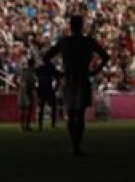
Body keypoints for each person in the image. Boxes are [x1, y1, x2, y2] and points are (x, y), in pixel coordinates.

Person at [44, 15, 110, 156]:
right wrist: (95, 71)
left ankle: (74, 145)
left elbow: (46, 57)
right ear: (81, 26)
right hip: (83, 77)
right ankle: (76, 145)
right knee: (79, 115)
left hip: (69, 78)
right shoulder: (87, 42)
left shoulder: (65, 42)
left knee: (71, 113)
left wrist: (57, 73)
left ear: (71, 26)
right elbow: (105, 56)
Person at [36, 59, 62, 131]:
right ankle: (52, 123)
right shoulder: (50, 67)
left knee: (42, 107)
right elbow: (58, 76)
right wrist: (56, 86)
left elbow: (36, 76)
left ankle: (40, 125)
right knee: (53, 106)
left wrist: (37, 88)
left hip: (42, 89)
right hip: (49, 89)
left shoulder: (40, 68)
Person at [17, 58, 38, 132]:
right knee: (26, 109)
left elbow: (17, 80)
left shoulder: (24, 71)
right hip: (27, 92)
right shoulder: (30, 72)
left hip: (24, 91)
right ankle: (24, 126)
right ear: (32, 64)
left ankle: (24, 126)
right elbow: (31, 83)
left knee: (25, 109)